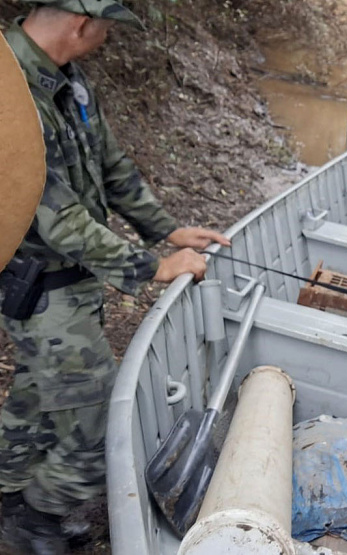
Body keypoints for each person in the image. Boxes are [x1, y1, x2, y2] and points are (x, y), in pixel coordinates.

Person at [0, 1, 230, 552]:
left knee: (37, 397)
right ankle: (34, 522)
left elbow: (112, 166)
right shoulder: (10, 95)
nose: (106, 39)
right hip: (37, 285)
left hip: (73, 280)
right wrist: (152, 267)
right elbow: (58, 217)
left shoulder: (69, 81)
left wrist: (166, 230)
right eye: (105, 29)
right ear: (82, 24)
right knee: (97, 414)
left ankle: (7, 492)